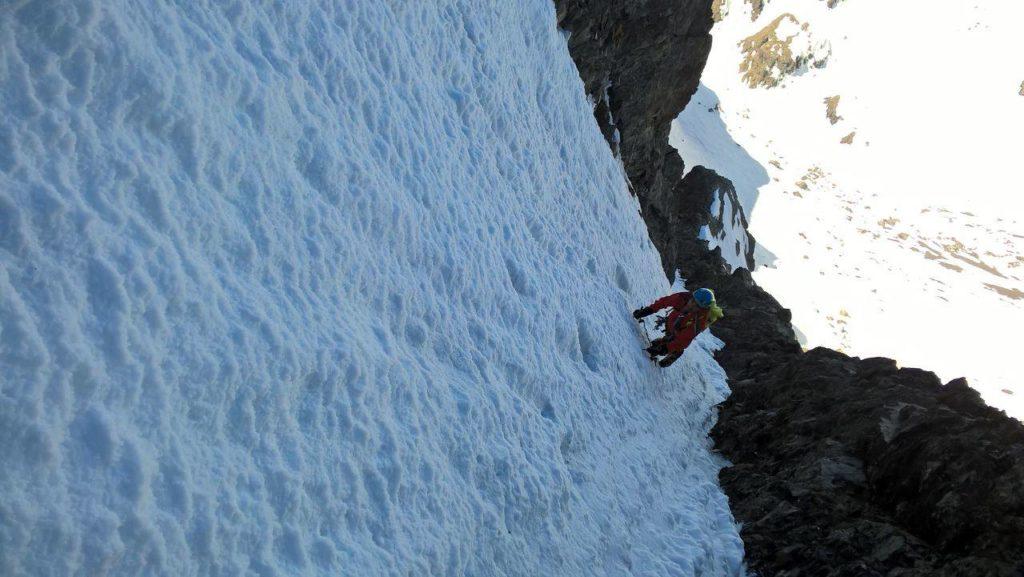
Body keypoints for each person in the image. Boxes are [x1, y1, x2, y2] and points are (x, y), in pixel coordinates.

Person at [632, 288, 723, 367]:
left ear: (702, 309)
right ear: (691, 297)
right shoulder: (682, 298)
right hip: (675, 319)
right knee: (671, 326)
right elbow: (663, 302)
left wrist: (665, 349)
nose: (692, 305)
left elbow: (683, 340)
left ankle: (676, 352)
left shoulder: (700, 321)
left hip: (684, 327)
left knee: (678, 337)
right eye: (692, 301)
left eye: (697, 306)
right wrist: (647, 310)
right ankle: (666, 340)